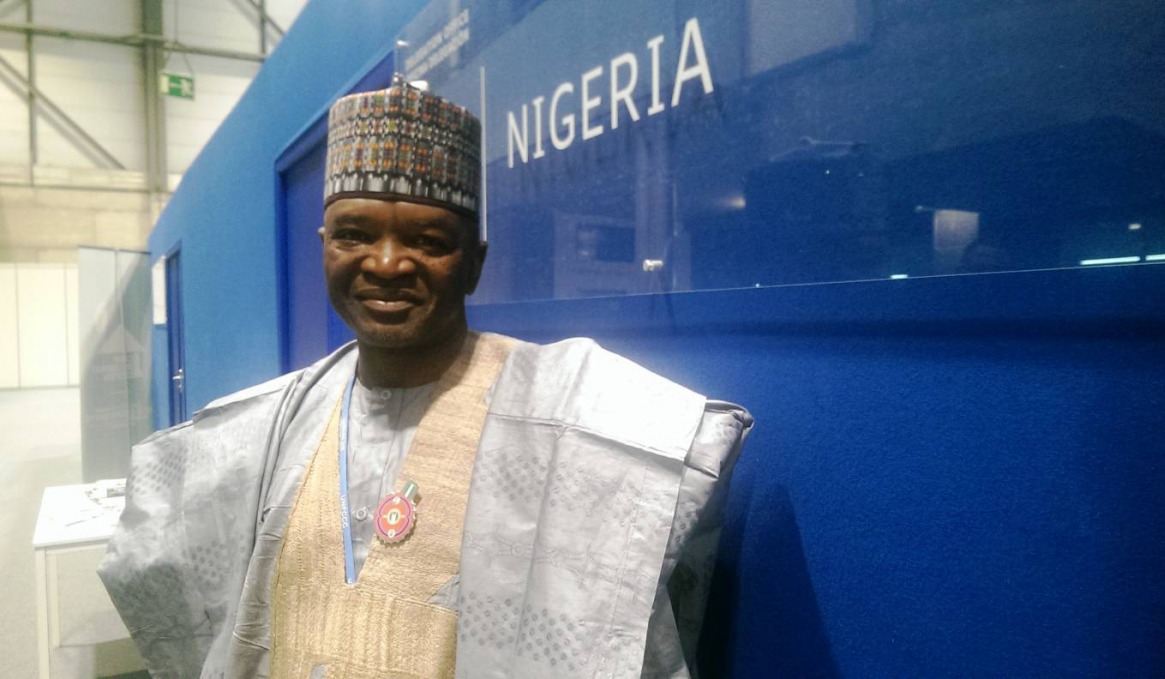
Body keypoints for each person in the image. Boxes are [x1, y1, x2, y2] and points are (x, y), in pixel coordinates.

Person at [99, 74, 752, 679]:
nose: (387, 264)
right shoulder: (269, 428)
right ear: (324, 245)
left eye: (429, 241)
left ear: (474, 262)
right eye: (355, 234)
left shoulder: (567, 412)